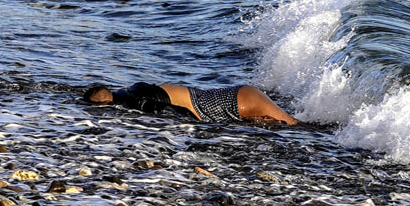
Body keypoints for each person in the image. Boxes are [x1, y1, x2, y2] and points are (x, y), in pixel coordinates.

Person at [83, 82, 299, 125]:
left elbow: (177, 111)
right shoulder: (131, 89)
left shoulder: (136, 101)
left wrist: (204, 127)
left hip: (236, 102)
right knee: (293, 126)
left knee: (299, 130)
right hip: (236, 95)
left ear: (104, 104)